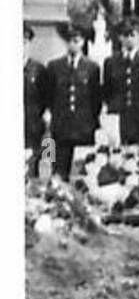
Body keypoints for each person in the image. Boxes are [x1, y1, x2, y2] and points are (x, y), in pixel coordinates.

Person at [45, 22, 101, 181]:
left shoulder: (92, 68)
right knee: (58, 172)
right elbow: (48, 95)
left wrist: (91, 122)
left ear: (83, 42)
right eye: (70, 40)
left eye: (77, 40)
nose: (73, 44)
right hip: (60, 128)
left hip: (83, 129)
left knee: (82, 175)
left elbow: (95, 99)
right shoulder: (54, 66)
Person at [102, 18, 139, 148]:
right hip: (118, 117)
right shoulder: (111, 62)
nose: (129, 39)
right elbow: (107, 90)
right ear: (120, 38)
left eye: (133, 35)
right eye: (125, 35)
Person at [23, 25, 48, 177]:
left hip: (33, 129)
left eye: (24, 42)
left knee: (33, 171)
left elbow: (46, 98)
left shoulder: (38, 69)